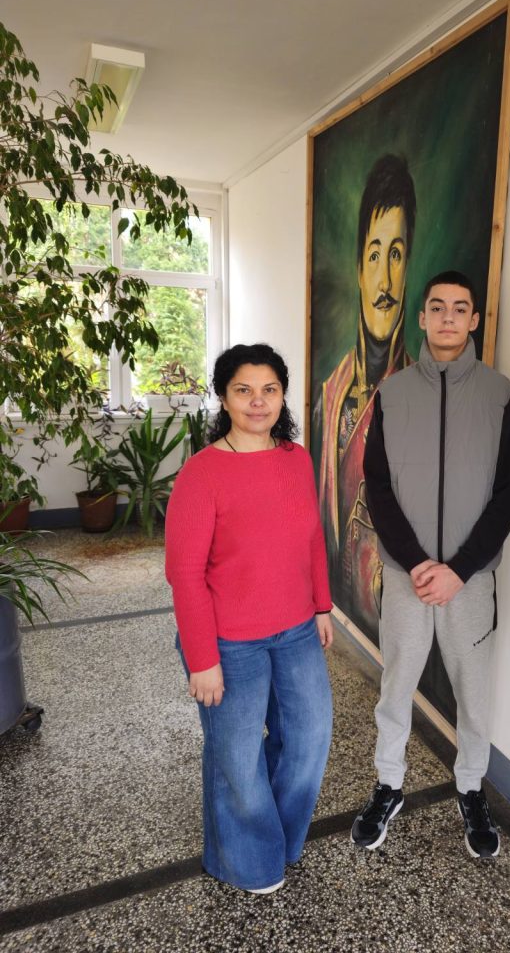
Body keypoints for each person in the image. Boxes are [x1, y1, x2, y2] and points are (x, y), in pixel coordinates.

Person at [351, 271, 510, 859]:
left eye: (460, 308)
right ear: (422, 317)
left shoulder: (501, 396)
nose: (448, 317)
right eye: (438, 307)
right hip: (407, 577)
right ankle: (388, 785)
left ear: (474, 319)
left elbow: (507, 496)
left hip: (470, 581)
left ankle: (471, 788)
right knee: (396, 685)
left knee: (474, 692)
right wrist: (419, 562)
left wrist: (459, 569)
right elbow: (377, 486)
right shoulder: (392, 395)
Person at [166, 343, 333, 894]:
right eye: (244, 390)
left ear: (282, 396)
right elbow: (185, 574)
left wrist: (322, 605)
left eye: (269, 390)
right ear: (224, 397)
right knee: (237, 758)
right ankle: (250, 861)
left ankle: (276, 840)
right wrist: (202, 659)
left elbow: (312, 538)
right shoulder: (201, 473)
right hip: (229, 642)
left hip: (297, 630)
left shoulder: (296, 458)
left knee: (309, 738)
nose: (257, 402)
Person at [316, 154, 416, 630]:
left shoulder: (417, 396)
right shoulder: (330, 394)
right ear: (359, 268)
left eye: (396, 254)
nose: (385, 281)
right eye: (375, 255)